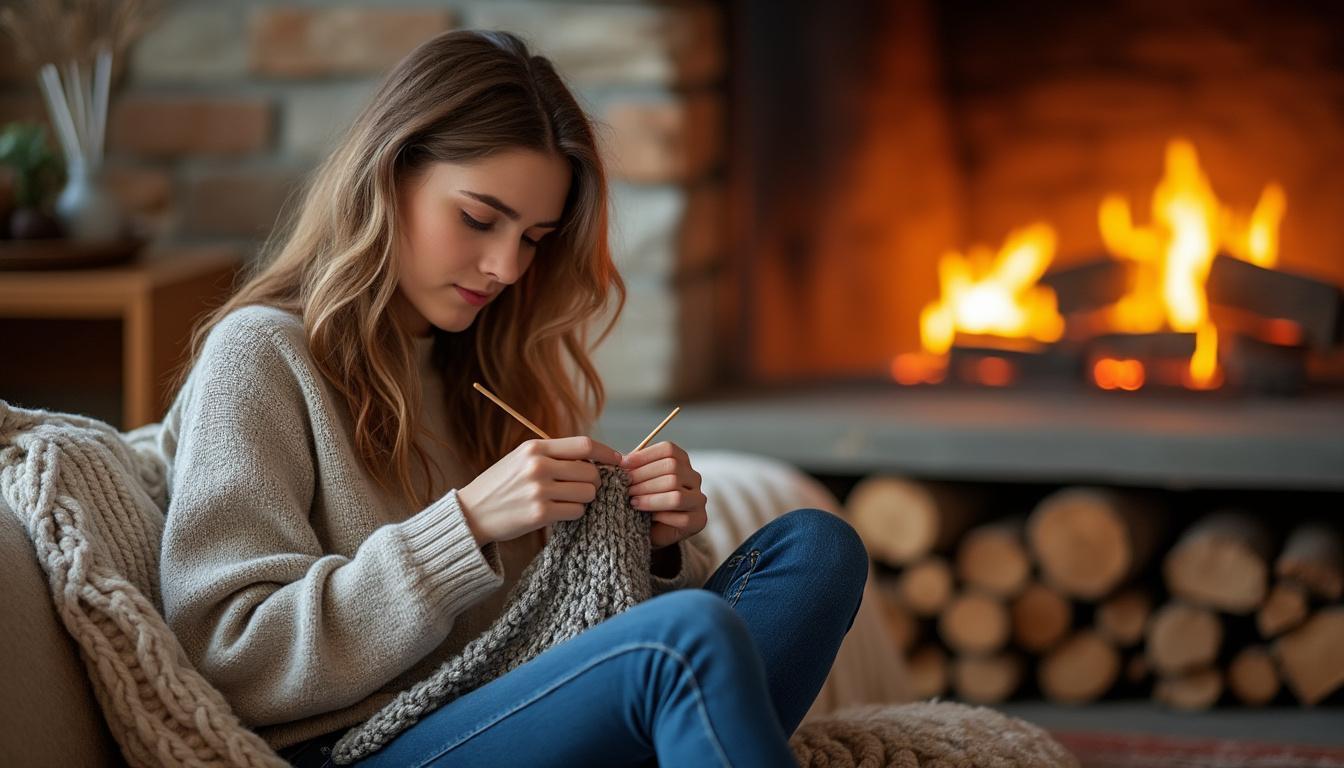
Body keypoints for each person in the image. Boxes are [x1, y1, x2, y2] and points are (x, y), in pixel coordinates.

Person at [157, 29, 868, 767]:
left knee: (816, 549)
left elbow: (569, 631)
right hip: (363, 748)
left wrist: (655, 550)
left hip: (509, 717)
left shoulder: (495, 368)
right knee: (687, 639)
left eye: (533, 237)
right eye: (477, 218)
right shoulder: (263, 353)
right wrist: (463, 526)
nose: (504, 266)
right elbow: (228, 657)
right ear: (388, 175)